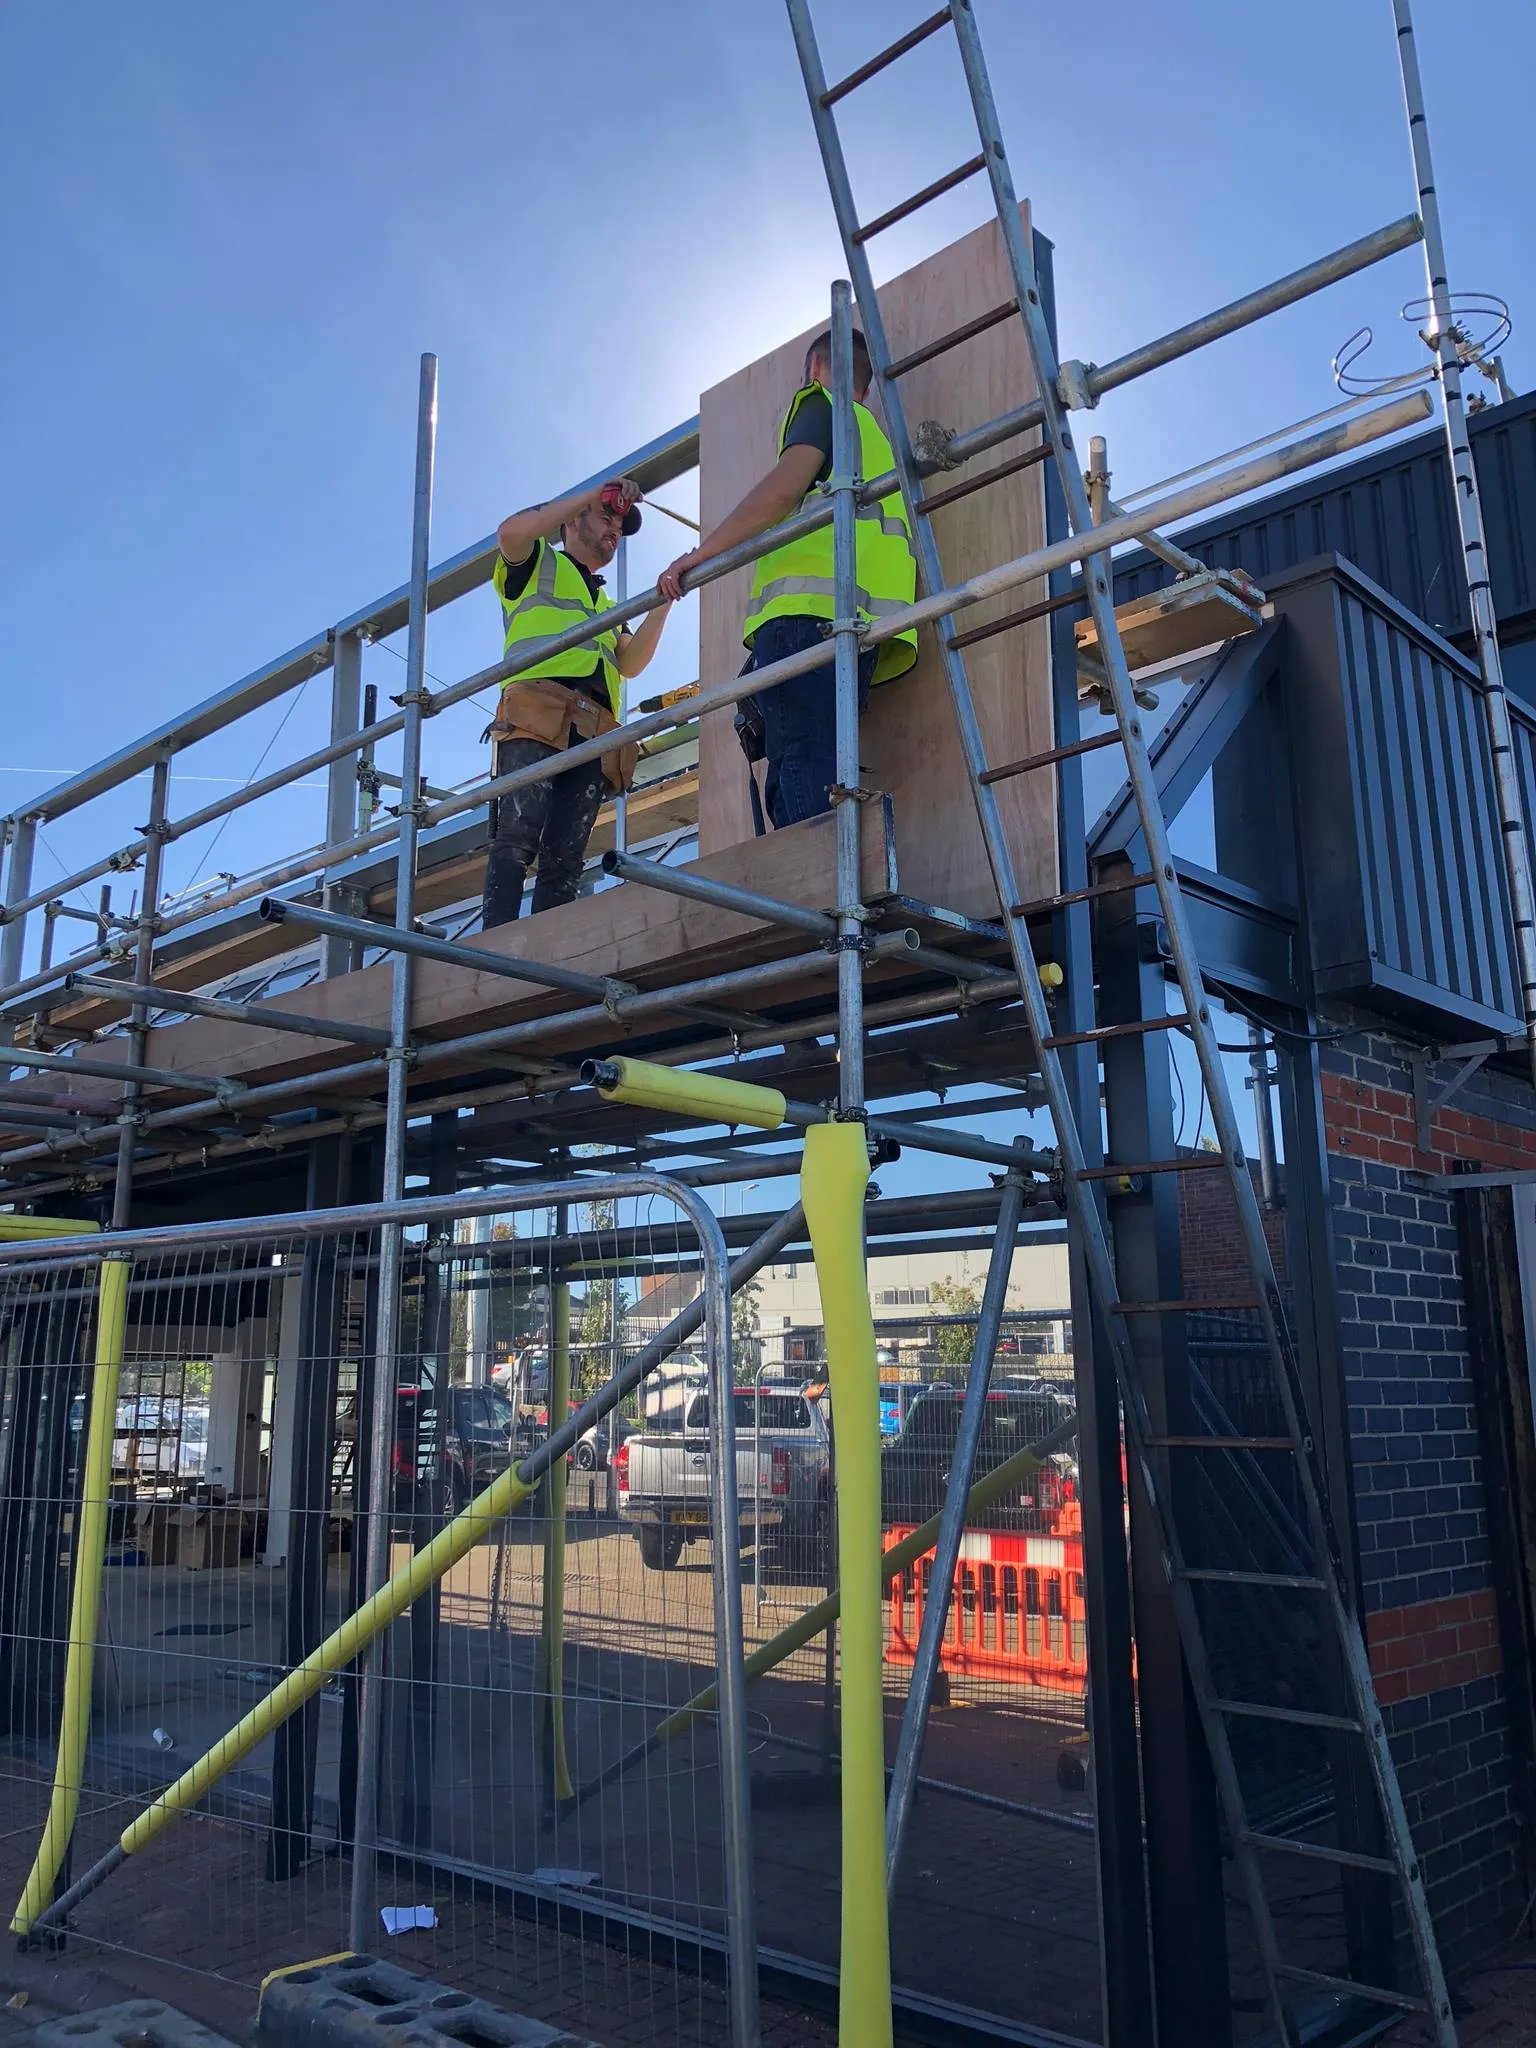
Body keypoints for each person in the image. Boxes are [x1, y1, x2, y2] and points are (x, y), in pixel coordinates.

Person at [658, 326, 916, 828]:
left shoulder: (820, 405)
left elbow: (781, 491)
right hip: (858, 628)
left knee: (798, 762)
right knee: (825, 764)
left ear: (816, 370)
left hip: (804, 616)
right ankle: (837, 885)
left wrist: (701, 556)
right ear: (865, 387)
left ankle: (819, 892)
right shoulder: (873, 439)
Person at [482, 477, 672, 929]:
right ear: (571, 520)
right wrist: (590, 494)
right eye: (607, 517)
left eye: (620, 525)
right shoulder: (537, 564)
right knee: (517, 834)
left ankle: (548, 953)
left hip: (593, 726)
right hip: (538, 711)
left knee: (565, 856)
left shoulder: (606, 601)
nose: (615, 530)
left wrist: (662, 601)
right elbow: (511, 533)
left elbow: (629, 663)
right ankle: (491, 949)